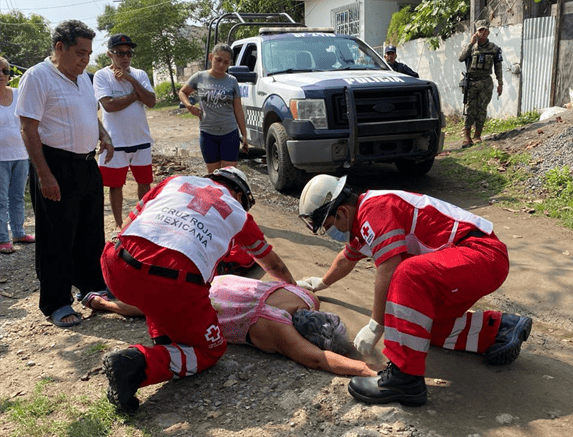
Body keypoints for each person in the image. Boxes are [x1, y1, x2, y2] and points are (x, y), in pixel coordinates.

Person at [297, 174, 532, 407]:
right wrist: (320, 283)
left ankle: (404, 378)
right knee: (419, 326)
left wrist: (375, 325)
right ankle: (501, 329)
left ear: (342, 213)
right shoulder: (363, 222)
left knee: (407, 274)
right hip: (476, 258)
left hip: (482, 253)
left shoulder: (374, 209)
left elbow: (389, 267)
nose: (332, 232)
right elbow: (347, 258)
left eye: (329, 225)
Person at [100, 167, 298, 413]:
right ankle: (138, 363)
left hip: (115, 265)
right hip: (170, 284)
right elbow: (273, 264)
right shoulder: (237, 213)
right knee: (211, 349)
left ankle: (164, 340)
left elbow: (128, 225)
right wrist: (296, 291)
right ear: (239, 195)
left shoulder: (174, 181)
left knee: (156, 288)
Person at [16, 20, 114, 328]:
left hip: (86, 164)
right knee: (57, 236)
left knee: (89, 229)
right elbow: (28, 128)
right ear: (60, 47)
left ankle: (92, 287)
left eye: (88, 53)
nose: (85, 59)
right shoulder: (38, 77)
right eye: (79, 52)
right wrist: (44, 175)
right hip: (55, 164)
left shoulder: (84, 77)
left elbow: (90, 112)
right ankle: (56, 302)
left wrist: (103, 134)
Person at [83, 275, 378, 378]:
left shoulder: (307, 297)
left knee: (151, 301)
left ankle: (107, 300)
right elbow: (317, 359)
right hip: (200, 303)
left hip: (220, 282)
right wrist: (366, 369)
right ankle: (107, 304)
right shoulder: (276, 327)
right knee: (148, 309)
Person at [93, 34, 156, 233]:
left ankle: (143, 222)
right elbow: (109, 105)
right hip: (115, 142)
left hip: (141, 140)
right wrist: (136, 95)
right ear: (109, 54)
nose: (125, 57)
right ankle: (119, 225)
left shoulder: (139, 74)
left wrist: (130, 79)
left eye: (129, 53)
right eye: (120, 53)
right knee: (115, 186)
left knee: (144, 184)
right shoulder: (101, 76)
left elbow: (151, 101)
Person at [178, 43, 248, 173]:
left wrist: (244, 134)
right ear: (211, 57)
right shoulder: (200, 77)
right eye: (218, 60)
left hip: (229, 133)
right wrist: (189, 106)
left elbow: (238, 110)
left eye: (226, 62)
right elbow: (182, 92)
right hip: (208, 134)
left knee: (229, 175)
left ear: (229, 64)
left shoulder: (232, 81)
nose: (221, 65)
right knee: (213, 176)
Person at [0, 57, 34, 254]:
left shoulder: (18, 93)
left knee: (18, 197)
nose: (1, 75)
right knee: (1, 200)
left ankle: (19, 232)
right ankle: (3, 238)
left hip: (21, 154)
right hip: (1, 158)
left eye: (5, 71)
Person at [458, 19, 503, 148]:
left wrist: (500, 83)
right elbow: (460, 58)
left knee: (481, 109)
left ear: (488, 31)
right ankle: (467, 137)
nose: (482, 33)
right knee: (470, 109)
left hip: (485, 83)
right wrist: (471, 44)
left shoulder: (494, 49)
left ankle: (477, 135)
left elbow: (498, 67)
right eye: (480, 30)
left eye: (485, 30)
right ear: (476, 32)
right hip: (472, 82)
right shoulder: (471, 47)